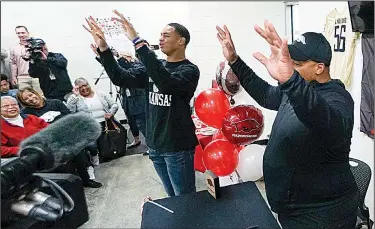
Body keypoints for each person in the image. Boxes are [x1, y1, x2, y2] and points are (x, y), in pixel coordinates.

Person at [216, 21, 359, 228]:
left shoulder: (338, 98)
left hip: (321, 214)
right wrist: (234, 61)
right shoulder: (295, 89)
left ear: (319, 68)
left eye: (298, 64)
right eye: (291, 61)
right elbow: (266, 95)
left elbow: (325, 121)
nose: (291, 67)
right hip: (291, 206)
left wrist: (291, 81)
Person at [83, 11, 200, 197]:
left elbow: (166, 84)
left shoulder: (189, 70)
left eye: (166, 35)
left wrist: (137, 41)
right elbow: (120, 77)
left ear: (181, 41)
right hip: (155, 146)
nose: (160, 39)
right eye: (160, 35)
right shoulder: (155, 66)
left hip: (176, 147)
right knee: (172, 197)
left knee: (185, 199)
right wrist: (104, 50)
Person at [0, 96, 102, 188]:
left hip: (47, 147)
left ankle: (86, 179)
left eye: (13, 104)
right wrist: (22, 150)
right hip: (26, 156)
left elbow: (49, 130)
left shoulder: (31, 118)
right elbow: (1, 149)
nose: (10, 107)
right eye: (6, 106)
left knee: (75, 149)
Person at [90, 44, 148, 155]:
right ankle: (136, 139)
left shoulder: (136, 65)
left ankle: (150, 145)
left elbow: (126, 71)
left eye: (122, 56)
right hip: (127, 98)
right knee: (131, 120)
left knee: (142, 122)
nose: (120, 58)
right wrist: (102, 55)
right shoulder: (123, 64)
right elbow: (113, 68)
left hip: (138, 99)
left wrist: (120, 59)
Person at [66, 77, 123, 163]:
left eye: (85, 85)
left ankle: (106, 152)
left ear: (89, 84)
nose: (84, 88)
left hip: (106, 123)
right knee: (93, 147)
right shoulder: (75, 98)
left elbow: (114, 105)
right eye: (80, 87)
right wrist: (75, 95)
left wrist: (111, 113)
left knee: (108, 153)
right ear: (77, 88)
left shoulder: (100, 94)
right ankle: (94, 156)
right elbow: (70, 112)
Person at [9, 26, 42, 93]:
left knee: (41, 97)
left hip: (37, 76)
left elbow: (44, 58)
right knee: (25, 99)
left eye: (23, 32)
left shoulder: (37, 44)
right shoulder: (14, 47)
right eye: (18, 33)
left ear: (27, 33)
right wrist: (13, 77)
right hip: (22, 78)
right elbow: (13, 63)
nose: (21, 35)